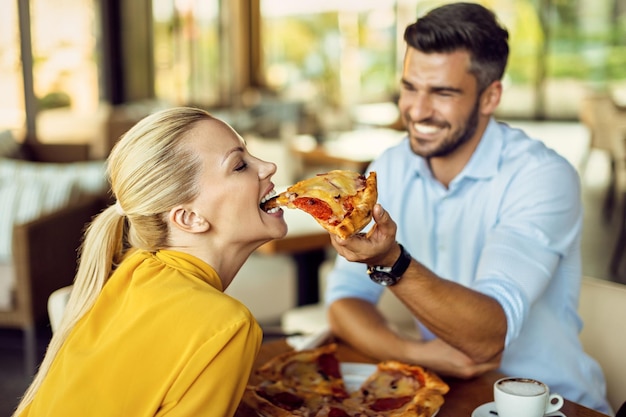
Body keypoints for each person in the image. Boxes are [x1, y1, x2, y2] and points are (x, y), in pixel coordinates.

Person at [324, 2, 612, 414]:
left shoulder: (542, 176)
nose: (418, 111)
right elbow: (344, 303)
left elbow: (486, 338)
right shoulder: (389, 167)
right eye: (410, 87)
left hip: (552, 404)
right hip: (448, 393)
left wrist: (392, 260)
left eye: (442, 92)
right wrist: (418, 353)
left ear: (490, 95)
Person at [13, 107, 288, 417]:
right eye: (240, 165)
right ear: (190, 218)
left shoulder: (133, 268)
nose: (269, 166)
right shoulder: (226, 328)